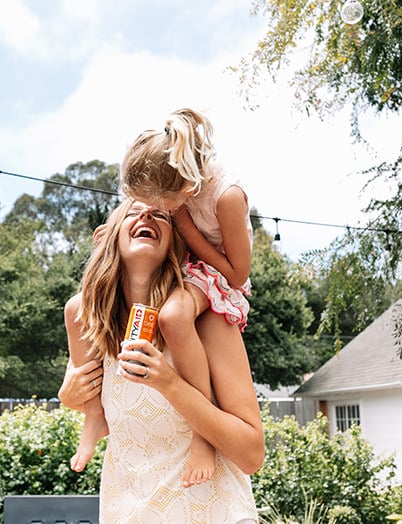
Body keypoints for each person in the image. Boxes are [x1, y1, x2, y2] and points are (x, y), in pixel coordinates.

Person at [59, 198, 264, 522]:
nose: (146, 215)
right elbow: (103, 414)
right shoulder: (99, 332)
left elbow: (251, 454)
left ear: (176, 247)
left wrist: (169, 383)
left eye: (159, 215)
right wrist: (70, 399)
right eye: (133, 212)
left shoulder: (206, 322)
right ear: (109, 236)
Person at [119, 107, 254, 486]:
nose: (152, 213)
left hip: (220, 275)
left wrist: (186, 231)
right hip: (192, 265)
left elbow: (238, 273)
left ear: (186, 191)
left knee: (174, 317)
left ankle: (203, 430)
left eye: (158, 207)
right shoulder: (179, 184)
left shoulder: (226, 196)